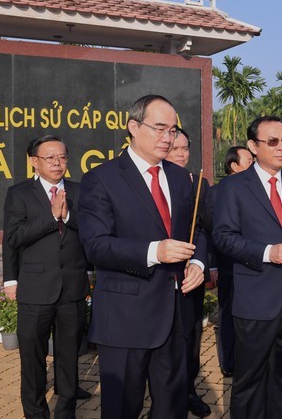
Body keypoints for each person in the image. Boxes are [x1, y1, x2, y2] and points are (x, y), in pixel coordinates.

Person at [78, 94, 206, 419]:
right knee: (122, 409)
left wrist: (198, 262)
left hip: (176, 316)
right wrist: (155, 251)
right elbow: (96, 245)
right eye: (160, 128)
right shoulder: (101, 178)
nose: (168, 138)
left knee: (172, 409)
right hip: (125, 319)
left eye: (174, 130)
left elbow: (198, 230)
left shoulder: (180, 178)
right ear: (133, 127)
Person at [213, 116, 282, 419]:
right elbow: (223, 237)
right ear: (253, 146)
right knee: (249, 379)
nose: (281, 147)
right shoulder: (233, 187)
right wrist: (267, 252)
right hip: (255, 299)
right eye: (272, 141)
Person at [3, 135, 90, 418]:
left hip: (72, 290)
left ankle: (66, 411)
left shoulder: (80, 191)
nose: (57, 163)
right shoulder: (19, 194)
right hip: (35, 289)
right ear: (34, 162)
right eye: (50, 157)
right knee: (32, 358)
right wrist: (10, 280)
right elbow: (13, 238)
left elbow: (91, 231)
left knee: (68, 359)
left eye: (62, 157)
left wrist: (67, 216)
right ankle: (36, 412)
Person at [165, 128, 211, 418]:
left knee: (191, 338)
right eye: (174, 149)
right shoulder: (149, 182)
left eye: (185, 148)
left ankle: (189, 390)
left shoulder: (199, 183)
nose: (181, 154)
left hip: (189, 277)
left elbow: (206, 228)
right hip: (156, 279)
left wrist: (201, 263)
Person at [210, 146, 254, 378]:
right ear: (234, 166)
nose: (253, 163)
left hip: (255, 266)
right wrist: (212, 265)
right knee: (228, 314)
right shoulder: (218, 192)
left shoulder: (257, 188)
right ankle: (228, 361)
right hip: (229, 266)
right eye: (248, 160)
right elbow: (210, 232)